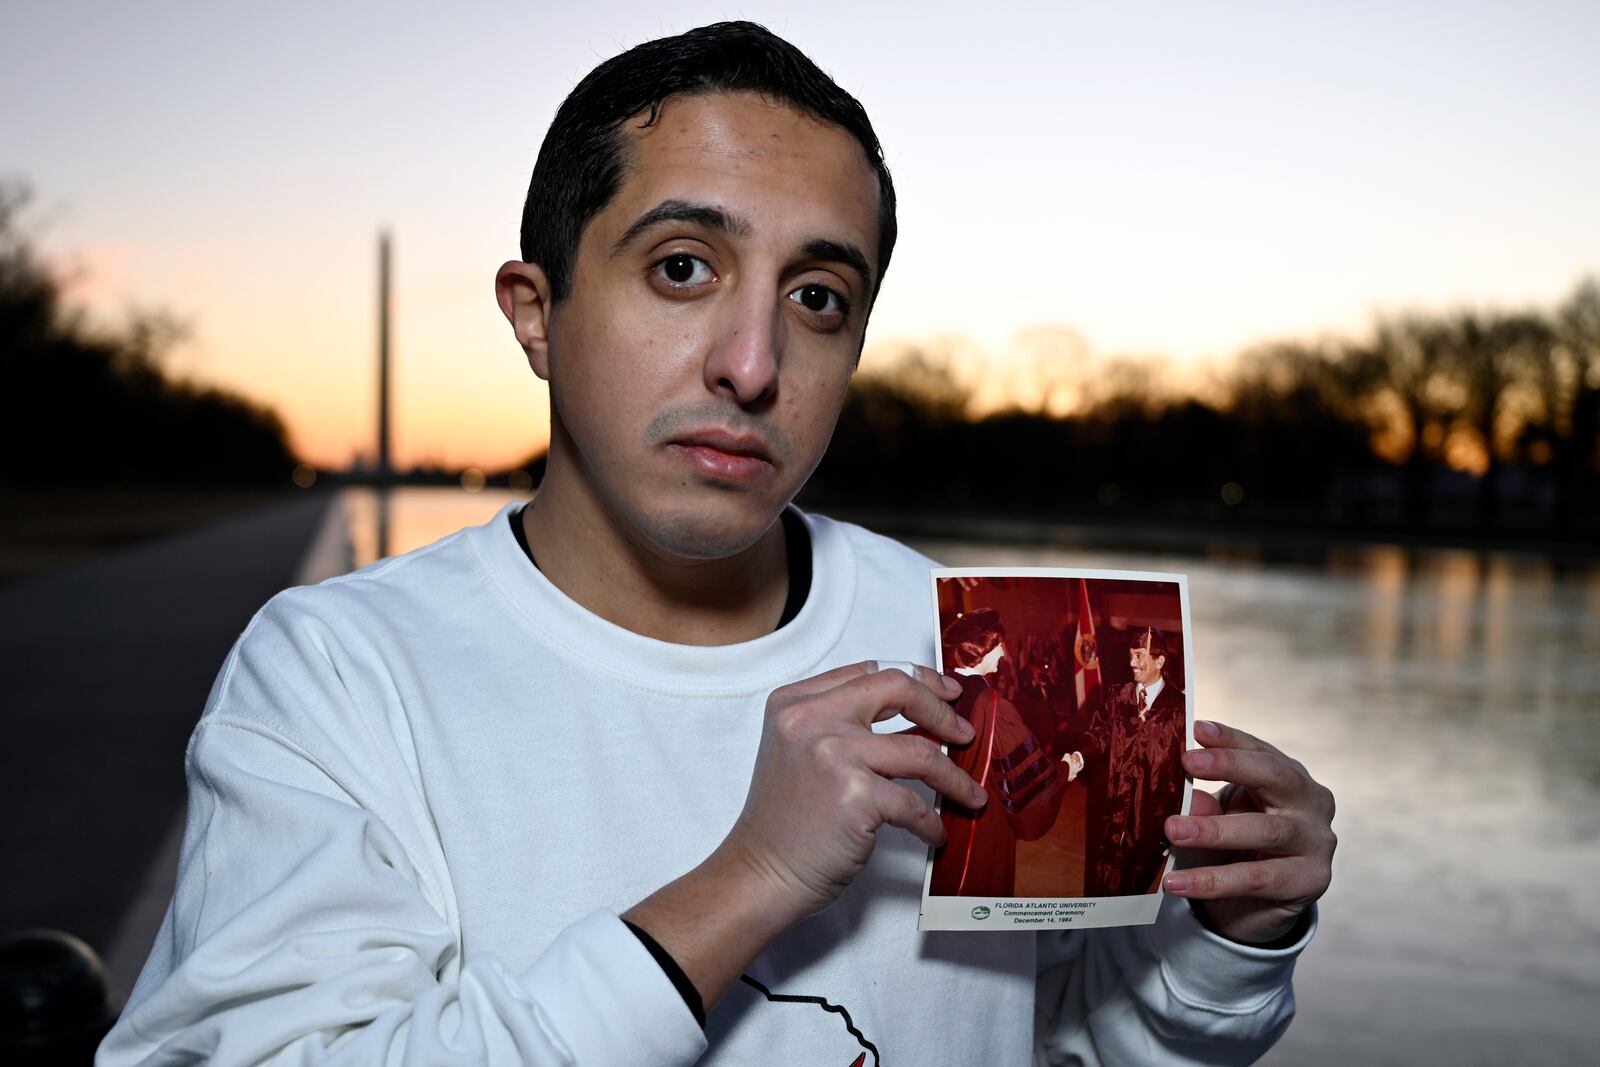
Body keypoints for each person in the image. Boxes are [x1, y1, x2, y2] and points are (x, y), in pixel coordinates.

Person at [98, 21, 1337, 1067]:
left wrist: (1230, 937)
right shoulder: (334, 673)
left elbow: (1067, 1034)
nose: (753, 365)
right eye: (682, 266)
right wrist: (749, 875)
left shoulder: (961, 637)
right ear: (537, 313)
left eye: (817, 299)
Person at [928, 609, 1066, 897]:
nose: (1003, 651)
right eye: (999, 645)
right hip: (984, 821)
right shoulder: (992, 705)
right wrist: (1065, 769)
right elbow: (1029, 772)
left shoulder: (944, 687)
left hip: (944, 810)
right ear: (983, 650)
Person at [1063, 627, 1189, 896]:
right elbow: (1100, 735)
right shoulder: (1117, 697)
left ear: (1160, 660)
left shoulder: (1179, 709)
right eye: (1130, 654)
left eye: (1139, 655)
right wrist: (1080, 756)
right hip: (1112, 809)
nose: (1132, 662)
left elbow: (1184, 770)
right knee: (1101, 881)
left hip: (1151, 818)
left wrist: (1177, 823)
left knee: (1135, 885)